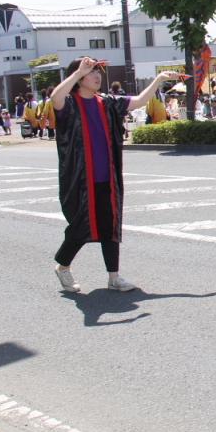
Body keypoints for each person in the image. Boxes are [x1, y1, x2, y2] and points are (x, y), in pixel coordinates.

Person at [50, 57, 181, 293]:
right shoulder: (69, 105)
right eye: (91, 73)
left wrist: (159, 79)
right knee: (81, 226)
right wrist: (78, 71)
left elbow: (139, 101)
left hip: (108, 177)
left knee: (110, 225)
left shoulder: (107, 102)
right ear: (79, 77)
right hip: (80, 180)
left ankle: (114, 276)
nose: (97, 76)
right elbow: (55, 98)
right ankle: (63, 267)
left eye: (98, 72)